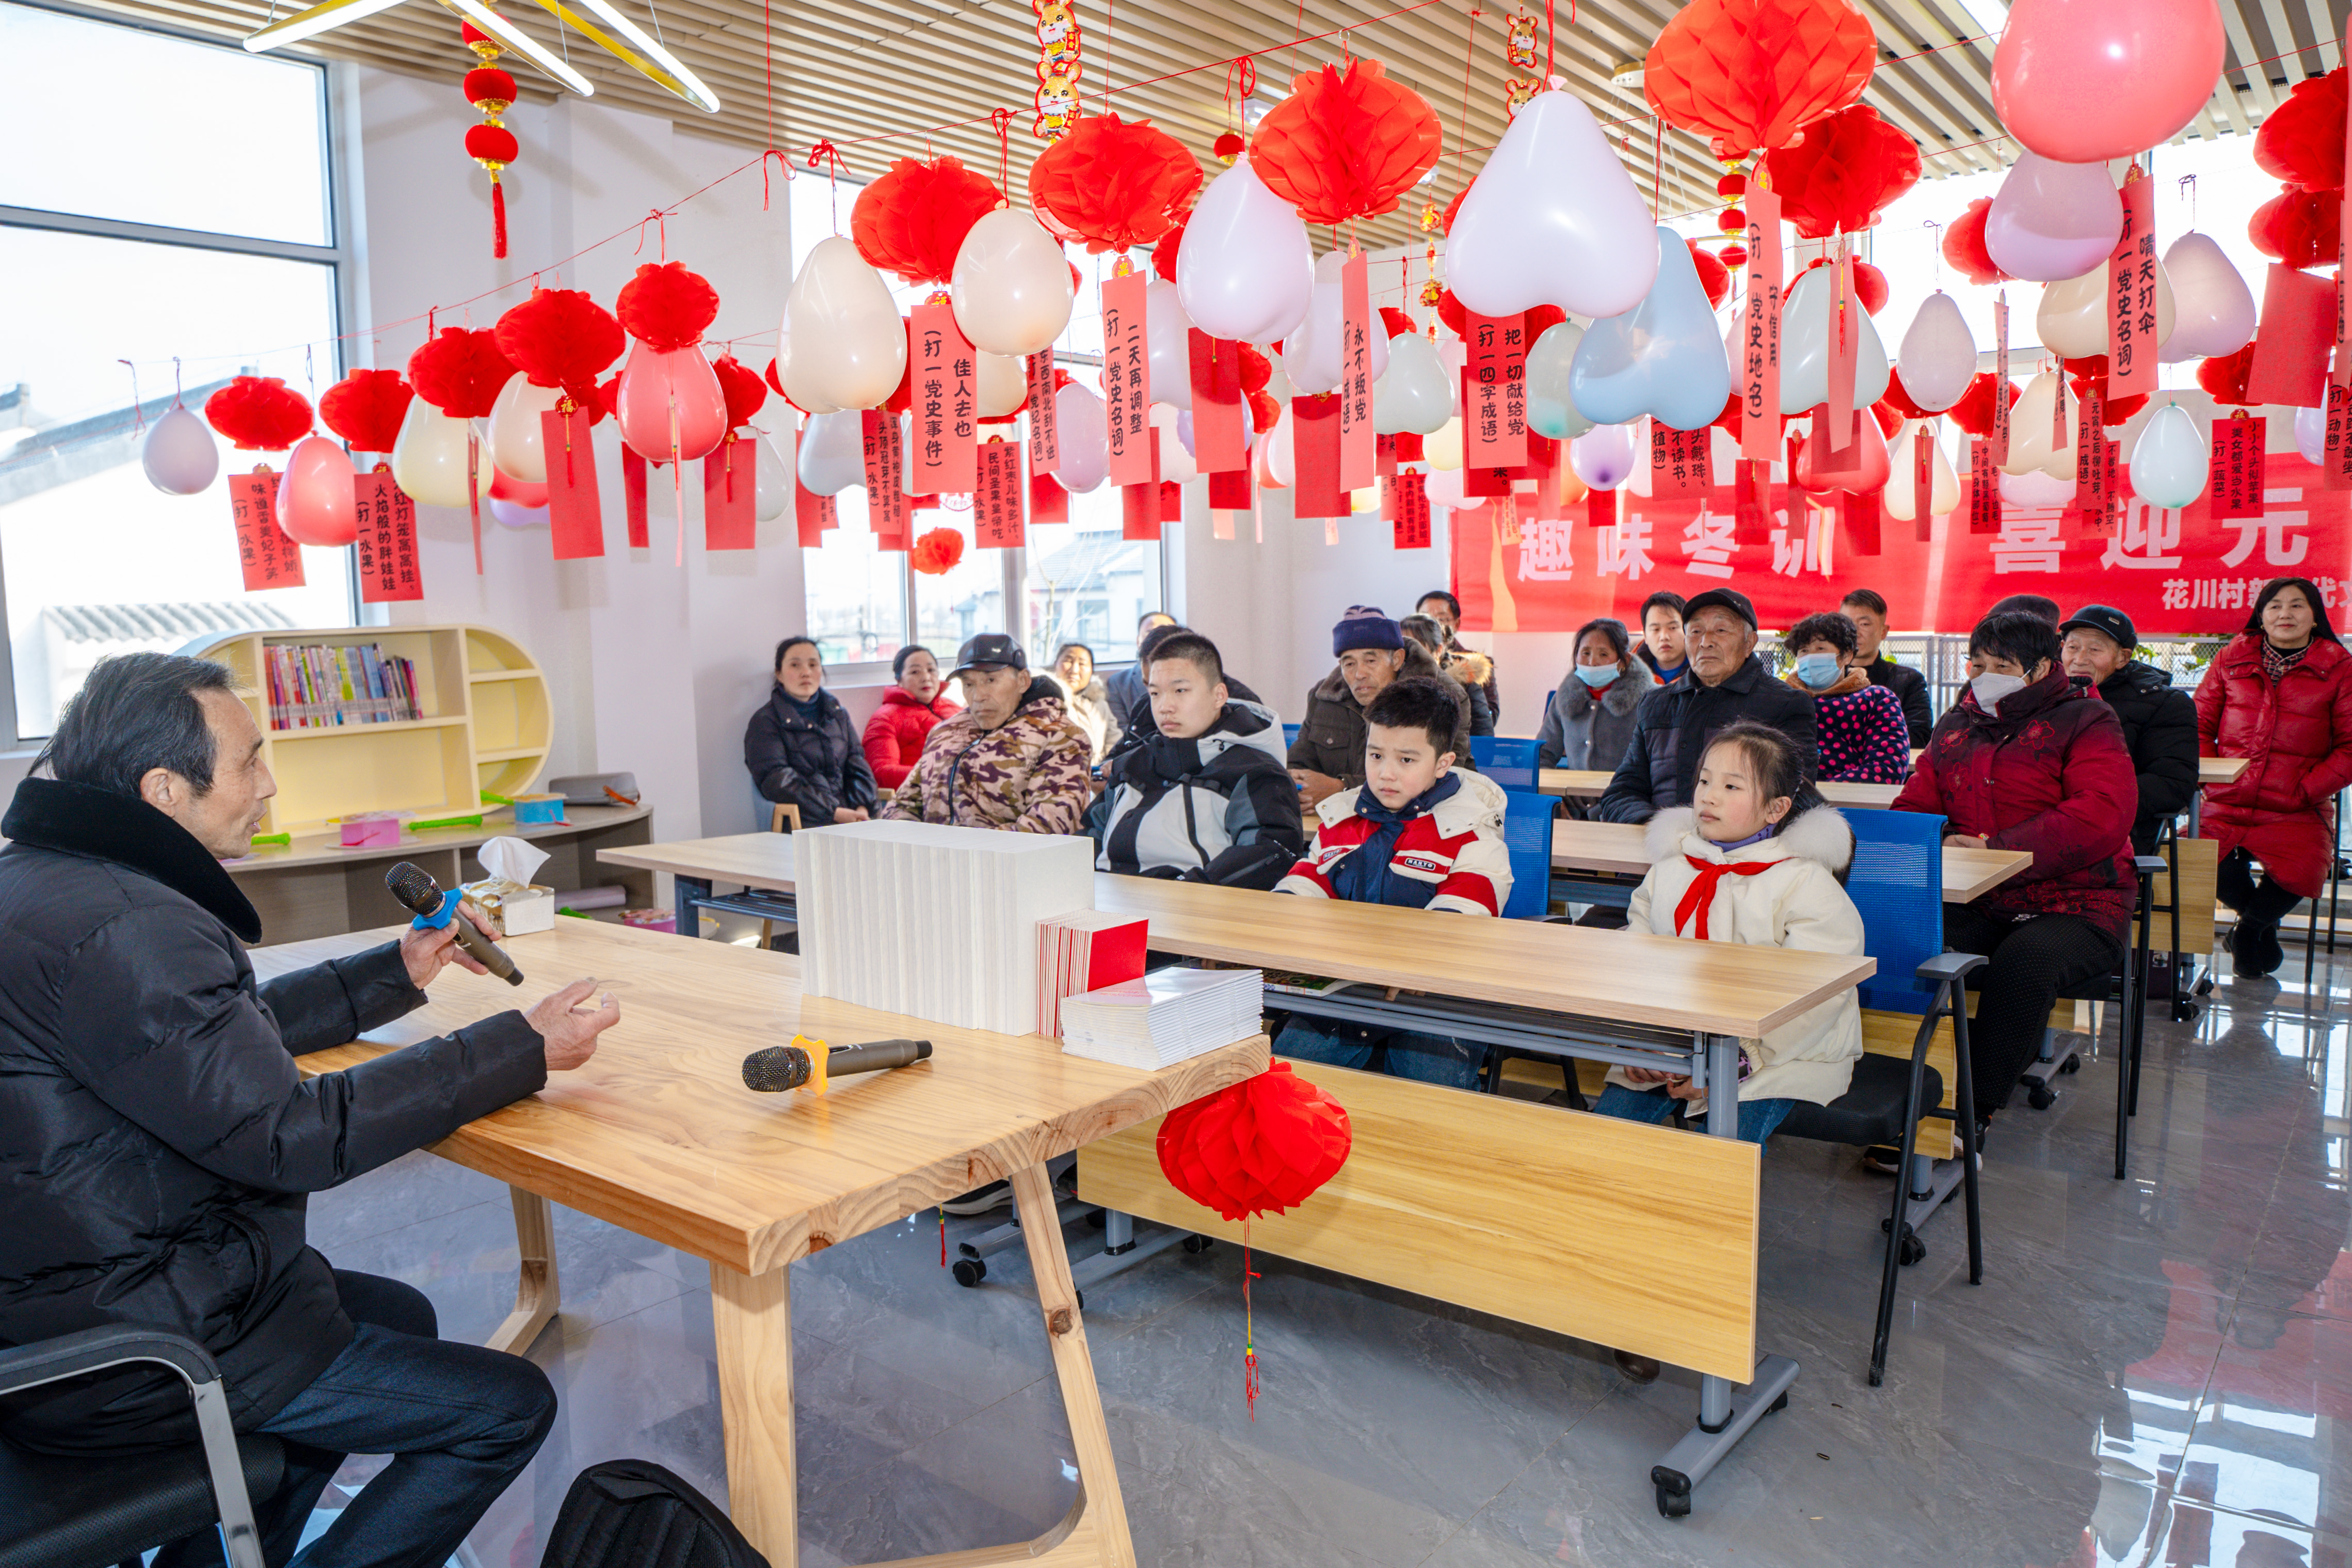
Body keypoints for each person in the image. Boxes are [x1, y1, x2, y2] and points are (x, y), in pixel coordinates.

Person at [0, 653, 620, 1567]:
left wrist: (393, 971)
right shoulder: (133, 925)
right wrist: (519, 1046)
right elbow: (292, 1136)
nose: (268, 785)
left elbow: (197, 1046)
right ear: (164, 789)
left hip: (70, 1295)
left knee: (398, 1311)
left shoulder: (53, 881)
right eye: (249, 760)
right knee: (508, 1406)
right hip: (138, 1344)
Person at [1894, 611, 2138, 1133]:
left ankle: (1967, 1117)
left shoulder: (2086, 719)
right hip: (1979, 898)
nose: (1985, 677)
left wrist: (1995, 850)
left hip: (2080, 900)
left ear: (2042, 667)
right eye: (1977, 664)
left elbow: (2102, 812)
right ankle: (1904, 1098)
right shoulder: (1957, 723)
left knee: (2026, 963)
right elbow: (1916, 803)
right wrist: (1939, 838)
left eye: (2002, 666)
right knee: (1908, 945)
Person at [1596, 722, 1864, 1143]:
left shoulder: (1805, 883)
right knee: (1604, 1138)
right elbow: (1636, 962)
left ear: (1775, 809)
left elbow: (1817, 997)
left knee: (1721, 1155)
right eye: (1704, 781)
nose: (1708, 796)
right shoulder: (1671, 869)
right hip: (1672, 1045)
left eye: (1731, 787)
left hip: (1778, 1055)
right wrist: (1639, 1041)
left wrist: (1738, 1061)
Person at [1273, 677, 1512, 1087]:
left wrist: (1410, 966)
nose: (1385, 773)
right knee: (1286, 1078)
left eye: (1406, 760)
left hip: (1435, 993)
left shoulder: (1472, 831)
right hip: (1348, 985)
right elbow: (1305, 886)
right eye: (1375, 755)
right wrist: (1272, 924)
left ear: (1442, 763)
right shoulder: (1342, 817)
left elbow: (1460, 920)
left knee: (1425, 1097)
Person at [2197, 577, 2352, 978]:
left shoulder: (2340, 667)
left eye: (2297, 605)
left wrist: (2305, 791)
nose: (2285, 613)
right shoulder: (2230, 658)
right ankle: (2259, 927)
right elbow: (2196, 725)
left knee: (2305, 865)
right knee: (2197, 857)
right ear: (2261, 616)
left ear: (2315, 617)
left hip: (2295, 803)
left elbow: (2350, 747)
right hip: (2227, 796)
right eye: (2274, 605)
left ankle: (2248, 930)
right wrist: (2211, 780)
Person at [1084, 632, 1305, 889]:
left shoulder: (1255, 773)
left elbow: (1268, 852)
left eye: (1180, 690)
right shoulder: (1130, 765)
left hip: (1193, 905)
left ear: (1219, 696)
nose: (1165, 706)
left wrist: (1188, 889)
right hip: (1107, 900)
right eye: (1155, 694)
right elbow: (1090, 837)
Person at [1593, 587, 1819, 825]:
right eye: (1696, 631)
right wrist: (1655, 828)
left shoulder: (1785, 705)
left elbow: (1794, 799)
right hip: (1655, 838)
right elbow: (1622, 792)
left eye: (1721, 630)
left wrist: (1718, 837)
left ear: (1749, 642)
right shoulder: (1655, 704)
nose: (1705, 642)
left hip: (1742, 845)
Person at [882, 632, 1093, 833]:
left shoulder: (1061, 737)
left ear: (1023, 681)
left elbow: (1048, 829)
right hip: (934, 856)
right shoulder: (945, 733)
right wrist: (921, 846)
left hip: (1004, 859)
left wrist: (956, 849)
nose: (978, 696)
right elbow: (900, 806)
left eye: (991, 680)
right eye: (969, 684)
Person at [1290, 605, 1473, 810]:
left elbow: (1444, 780)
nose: (1359, 674)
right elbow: (1299, 764)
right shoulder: (1325, 697)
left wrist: (1341, 789)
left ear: (1397, 660)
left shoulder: (1442, 698)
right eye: (1349, 664)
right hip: (1332, 818)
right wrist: (1299, 786)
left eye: (1370, 661)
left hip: (1424, 819)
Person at [2059, 604, 2198, 855]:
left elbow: (2172, 784)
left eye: (2095, 650)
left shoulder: (2165, 704)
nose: (2079, 660)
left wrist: (2089, 807)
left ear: (2122, 658)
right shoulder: (2043, 695)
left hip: (2115, 836)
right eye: (2073, 648)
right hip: (2040, 825)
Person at [746, 635, 879, 826]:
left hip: (852, 820)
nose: (806, 673)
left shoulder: (838, 715)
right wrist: (834, 812)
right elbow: (776, 781)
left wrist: (863, 808)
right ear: (779, 674)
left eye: (813, 665)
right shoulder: (765, 722)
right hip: (803, 823)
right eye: (795, 665)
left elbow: (857, 763)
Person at [1782, 611, 1912, 784]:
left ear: (1847, 656)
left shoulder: (1876, 700)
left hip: (1851, 797)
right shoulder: (1782, 700)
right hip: (1787, 796)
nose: (1811, 657)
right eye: (1804, 650)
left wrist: (1819, 794)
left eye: (1821, 649)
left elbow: (1887, 767)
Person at [1535, 616, 1657, 773]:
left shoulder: (1650, 699)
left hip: (1627, 788)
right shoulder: (1564, 697)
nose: (1592, 662)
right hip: (1574, 789)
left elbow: (1661, 760)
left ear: (1624, 661)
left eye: (1603, 654)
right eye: (1586, 653)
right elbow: (1543, 755)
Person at [862, 644, 962, 791]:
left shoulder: (953, 707)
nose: (926, 678)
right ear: (899, 680)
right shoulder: (886, 718)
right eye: (915, 672)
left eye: (931, 670)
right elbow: (881, 773)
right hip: (927, 796)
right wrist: (939, 776)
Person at [1841, 588, 1931, 748]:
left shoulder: (1909, 681)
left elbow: (1919, 736)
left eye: (1864, 624)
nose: (1855, 633)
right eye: (1847, 624)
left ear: (1884, 632)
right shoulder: (1825, 680)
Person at [1403, 613, 1495, 737]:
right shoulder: (1390, 684)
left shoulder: (1465, 687)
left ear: (1438, 650)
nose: (1407, 654)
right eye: (1402, 647)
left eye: (1417, 647)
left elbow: (1483, 739)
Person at [1416, 588, 1500, 716]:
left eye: (1441, 619)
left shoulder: (1477, 663)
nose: (1432, 625)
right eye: (1425, 619)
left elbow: (1491, 715)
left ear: (1456, 624)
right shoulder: (1403, 658)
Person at [1102, 610, 1179, 733]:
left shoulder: (1195, 676)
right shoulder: (1118, 683)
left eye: (1164, 631)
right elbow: (1121, 730)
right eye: (1150, 632)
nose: (1158, 638)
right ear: (1139, 641)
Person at [1053, 641, 1115, 763]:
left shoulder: (1100, 704)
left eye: (1082, 664)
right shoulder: (1047, 704)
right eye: (1068, 661)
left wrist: (1109, 765)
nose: (1074, 670)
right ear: (1056, 665)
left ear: (1092, 671)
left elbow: (1114, 740)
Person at [1636, 591, 1689, 686]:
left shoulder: (1705, 674)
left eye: (1673, 628)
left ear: (1688, 630)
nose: (1664, 637)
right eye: (1656, 629)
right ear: (1645, 636)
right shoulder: (1629, 676)